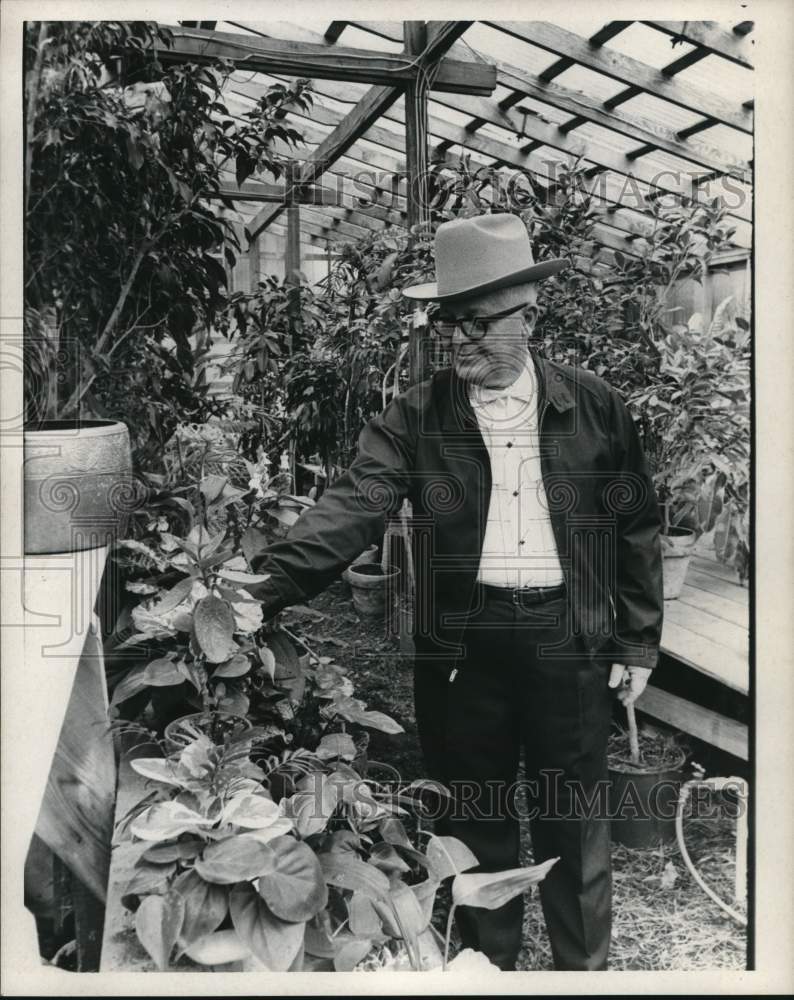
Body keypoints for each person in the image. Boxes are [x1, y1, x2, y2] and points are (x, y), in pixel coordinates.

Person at [249, 213, 664, 971]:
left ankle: (583, 976)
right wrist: (256, 592)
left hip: (567, 639)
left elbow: (636, 526)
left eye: (479, 323)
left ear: (529, 317)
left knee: (573, 827)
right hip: (461, 648)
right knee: (475, 827)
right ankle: (487, 973)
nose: (462, 342)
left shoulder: (596, 406)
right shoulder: (416, 417)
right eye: (451, 325)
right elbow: (352, 507)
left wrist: (637, 639)